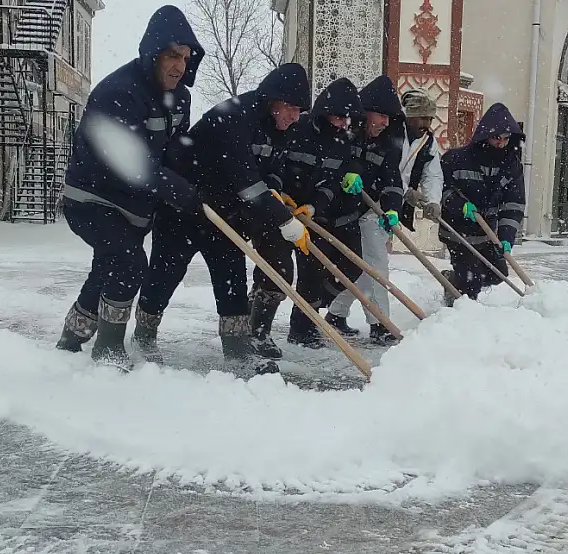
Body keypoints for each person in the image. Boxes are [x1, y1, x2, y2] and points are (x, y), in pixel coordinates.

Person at [133, 63, 312, 374]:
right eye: (292, 109)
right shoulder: (234, 116)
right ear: (275, 100)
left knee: (231, 279)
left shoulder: (282, 127)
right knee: (166, 274)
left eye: (299, 111)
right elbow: (246, 181)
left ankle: (237, 350)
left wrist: (278, 192)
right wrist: (284, 221)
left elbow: (273, 170)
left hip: (226, 214)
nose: (296, 117)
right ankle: (144, 334)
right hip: (184, 207)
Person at [54, 5, 205, 369]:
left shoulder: (180, 98)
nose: (180, 66)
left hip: (134, 206)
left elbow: (174, 151)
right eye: (172, 55)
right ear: (153, 53)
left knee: (107, 266)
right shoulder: (118, 92)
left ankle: (70, 338)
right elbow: (126, 163)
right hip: (91, 198)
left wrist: (194, 178)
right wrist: (174, 187)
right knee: (129, 262)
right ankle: (108, 348)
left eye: (185, 58)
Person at [325, 87, 441, 343]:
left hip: (387, 203)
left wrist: (426, 199)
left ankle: (336, 312)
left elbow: (431, 172)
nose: (427, 123)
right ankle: (380, 323)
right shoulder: (387, 130)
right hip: (365, 201)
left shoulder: (427, 141)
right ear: (410, 116)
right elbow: (370, 163)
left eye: (430, 119)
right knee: (376, 265)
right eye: (423, 117)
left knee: (365, 266)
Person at [261, 78, 366, 349]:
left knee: (317, 271)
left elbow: (332, 182)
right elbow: (275, 163)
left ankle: (303, 324)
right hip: (279, 206)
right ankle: (258, 330)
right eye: (340, 117)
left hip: (310, 214)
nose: (345, 124)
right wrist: (278, 193)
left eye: (348, 119)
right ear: (325, 112)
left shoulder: (342, 142)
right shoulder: (298, 130)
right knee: (277, 270)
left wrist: (314, 206)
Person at [438, 103, 526, 303]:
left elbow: (514, 203)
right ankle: (460, 312)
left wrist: (506, 237)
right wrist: (460, 205)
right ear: (485, 135)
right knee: (471, 280)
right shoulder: (457, 159)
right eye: (496, 138)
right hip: (457, 229)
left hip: (486, 232)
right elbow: (442, 189)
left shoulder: (511, 166)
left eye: (505, 139)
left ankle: (452, 281)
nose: (501, 144)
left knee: (498, 274)